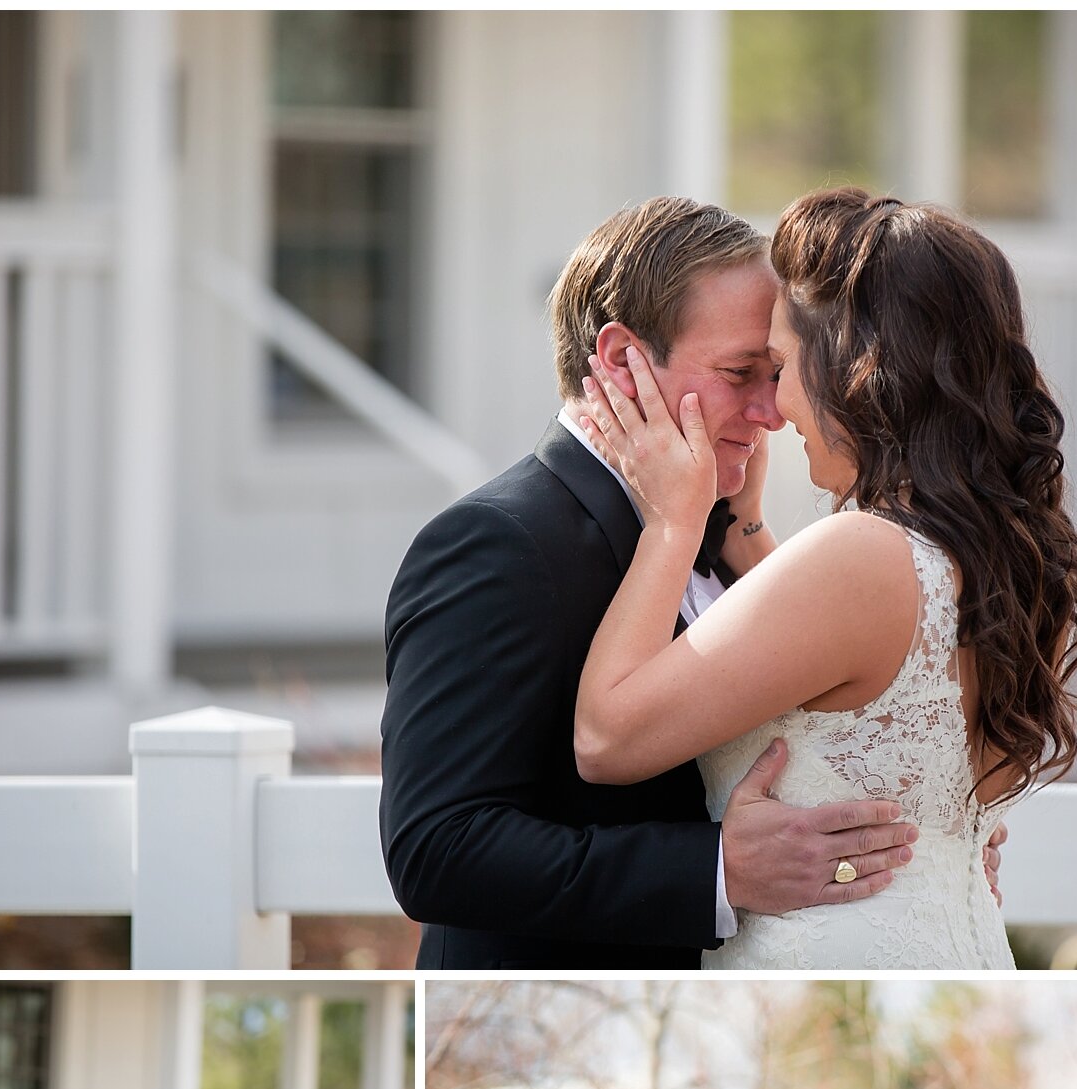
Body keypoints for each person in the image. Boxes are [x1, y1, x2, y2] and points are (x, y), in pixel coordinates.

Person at [380, 195, 993, 970]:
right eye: (741, 374)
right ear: (619, 360)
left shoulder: (731, 534)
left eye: (775, 373)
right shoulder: (499, 545)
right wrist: (716, 870)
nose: (771, 411)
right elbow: (436, 849)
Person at [574, 186, 1077, 968]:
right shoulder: (1006, 555)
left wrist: (673, 522)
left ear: (855, 367)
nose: (776, 411)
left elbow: (605, 737)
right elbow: (832, 669)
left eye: (780, 366)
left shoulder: (861, 554)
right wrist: (746, 529)